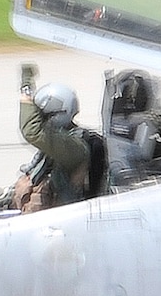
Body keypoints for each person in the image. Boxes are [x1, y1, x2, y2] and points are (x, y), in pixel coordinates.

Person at [13, 80, 104, 211]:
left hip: (56, 216)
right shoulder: (61, 141)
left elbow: (33, 132)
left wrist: (26, 95)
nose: (40, 122)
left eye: (42, 117)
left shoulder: (74, 147)